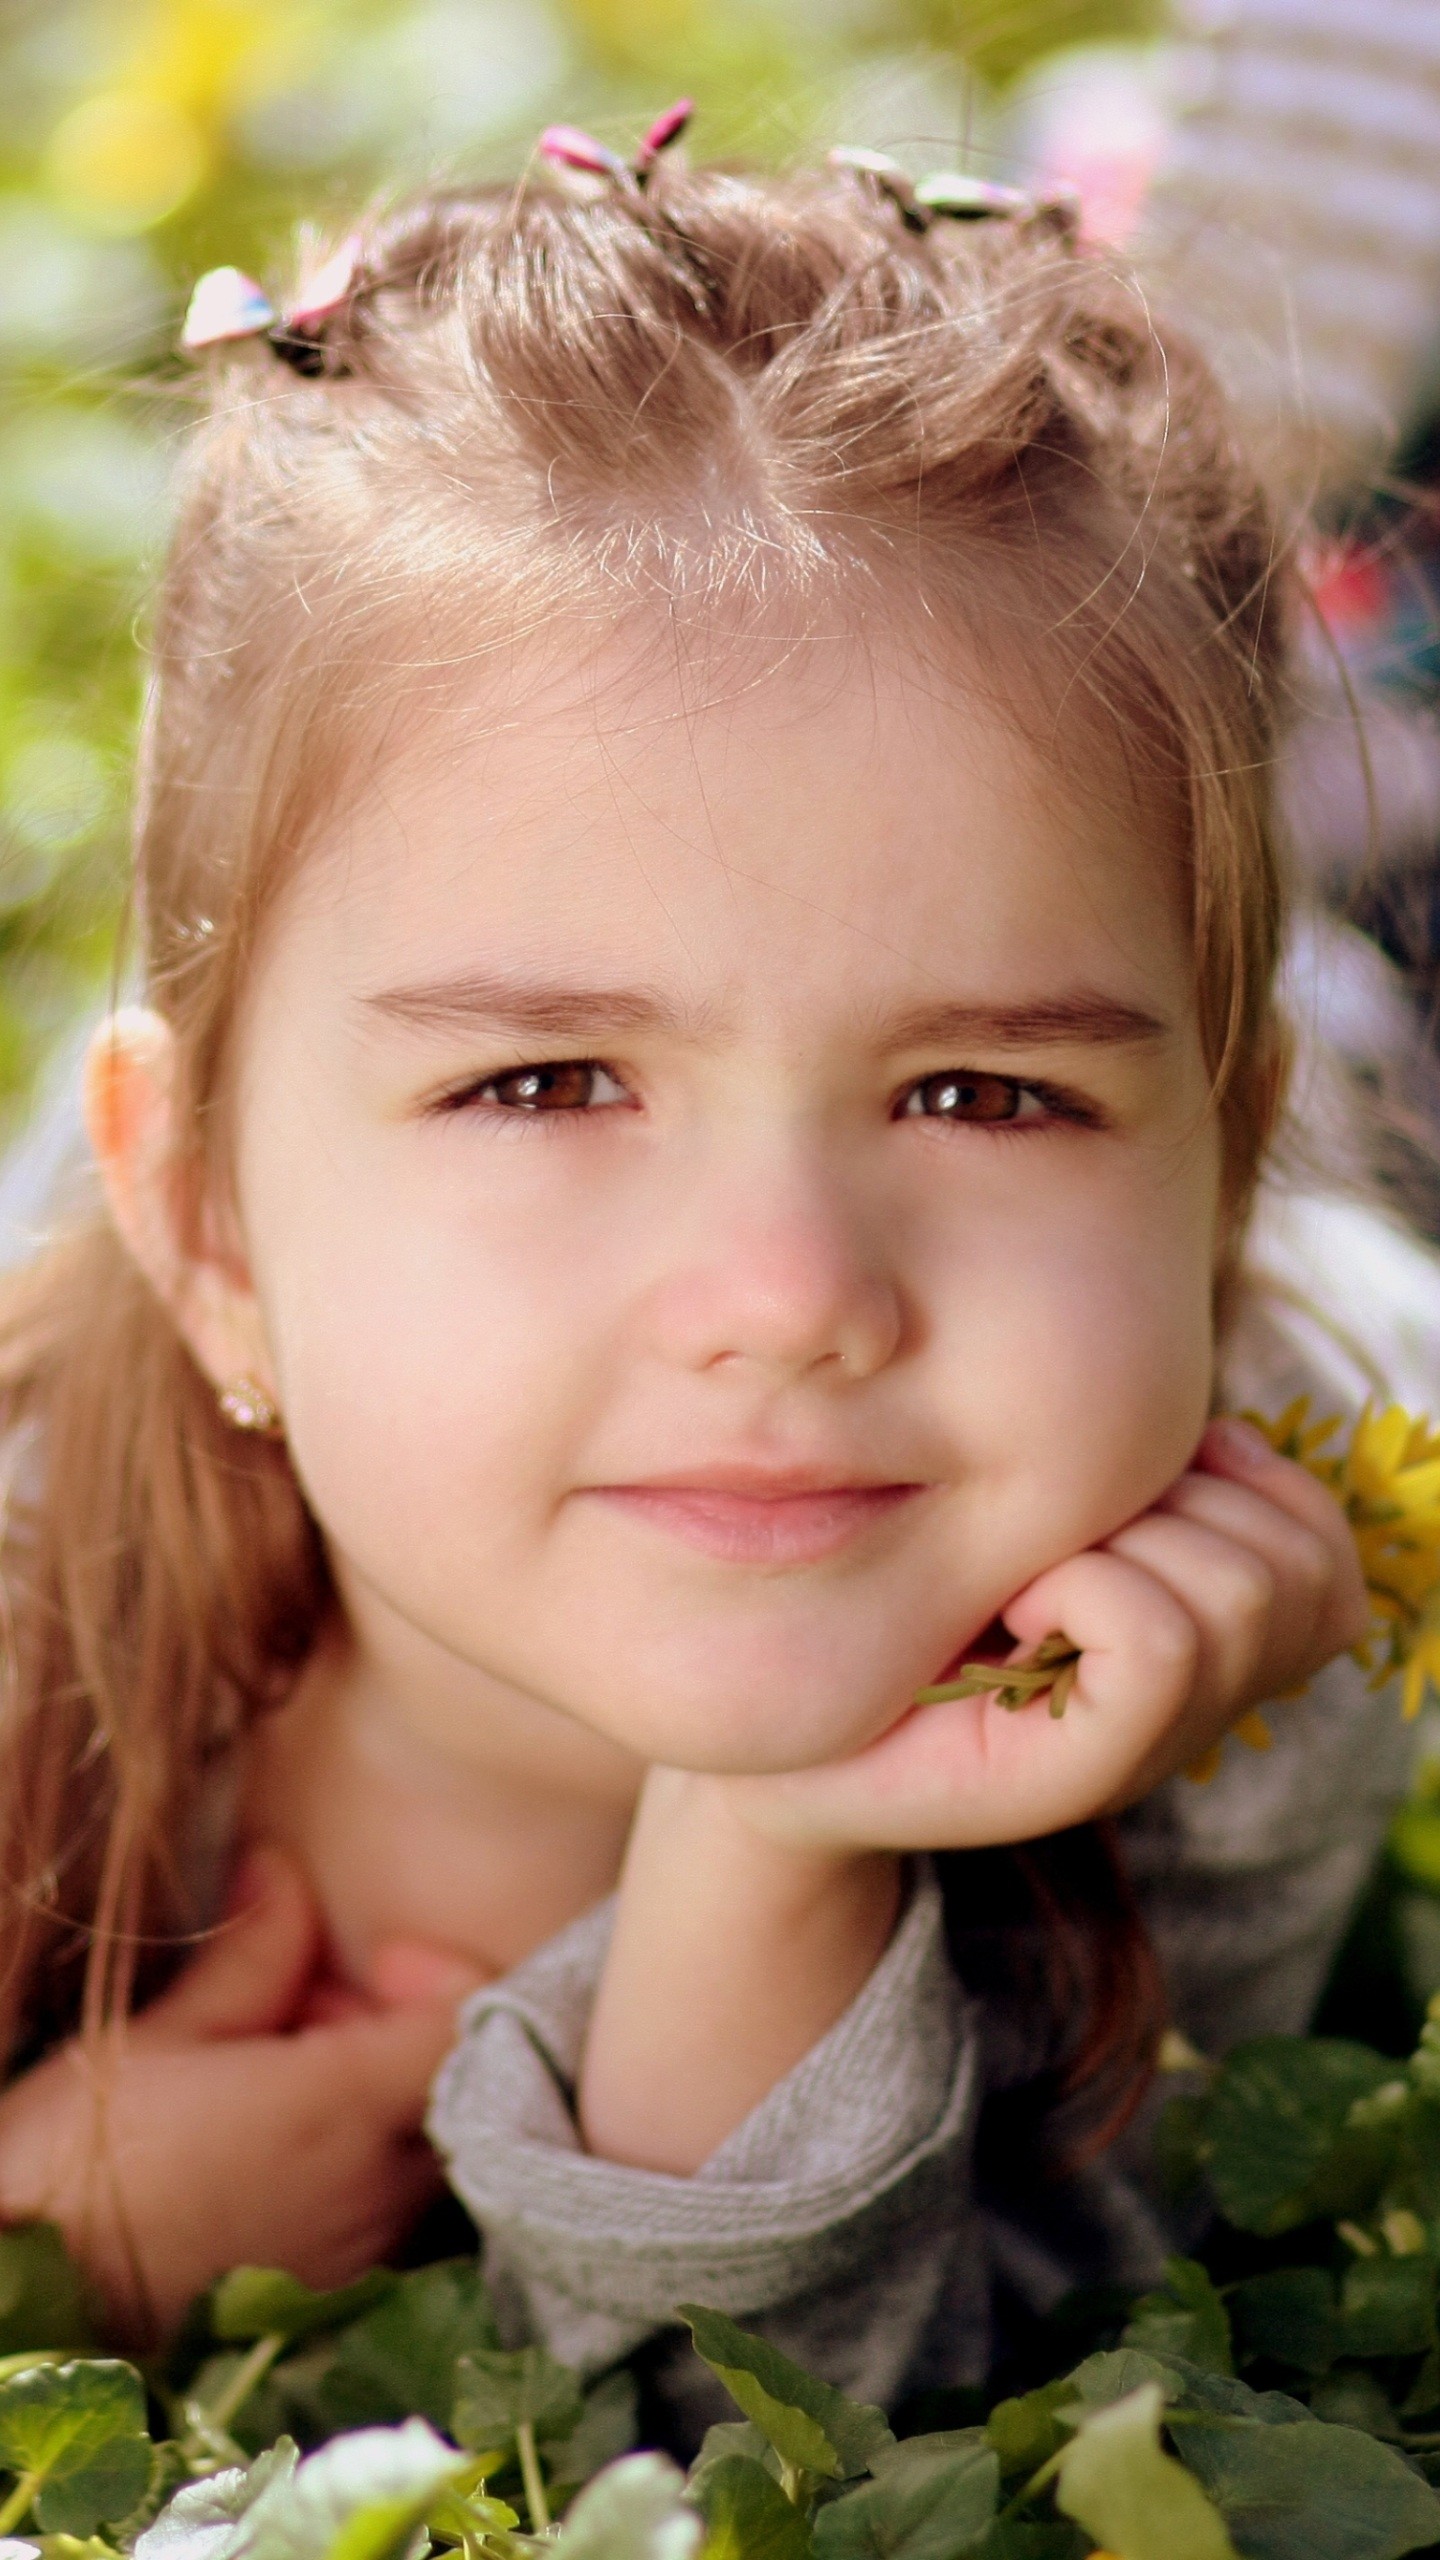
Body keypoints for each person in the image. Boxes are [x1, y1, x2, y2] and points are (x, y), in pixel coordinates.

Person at [0, 129, 1428, 2425]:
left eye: (985, 1093)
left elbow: (790, 2431)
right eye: (551, 1082)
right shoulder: (31, 1568)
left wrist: (771, 1840)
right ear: (210, 1227)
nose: (786, 1297)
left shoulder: (1237, 1681)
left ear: (1214, 1180)